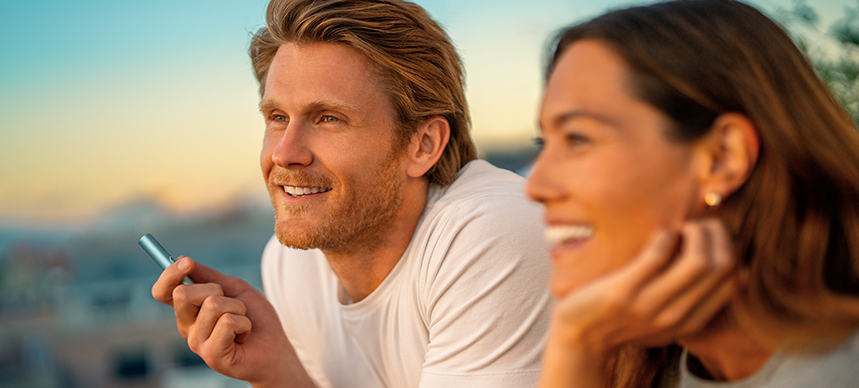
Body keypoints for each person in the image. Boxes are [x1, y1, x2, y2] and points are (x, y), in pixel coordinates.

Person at [151, 0, 551, 387]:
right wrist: (275, 373)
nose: (284, 153)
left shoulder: (490, 234)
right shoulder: (290, 265)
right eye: (277, 118)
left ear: (424, 144)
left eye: (328, 118)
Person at [526, 0, 859, 387]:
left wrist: (578, 346)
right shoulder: (652, 362)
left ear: (722, 159)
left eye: (577, 138)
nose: (535, 187)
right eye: (542, 143)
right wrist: (579, 344)